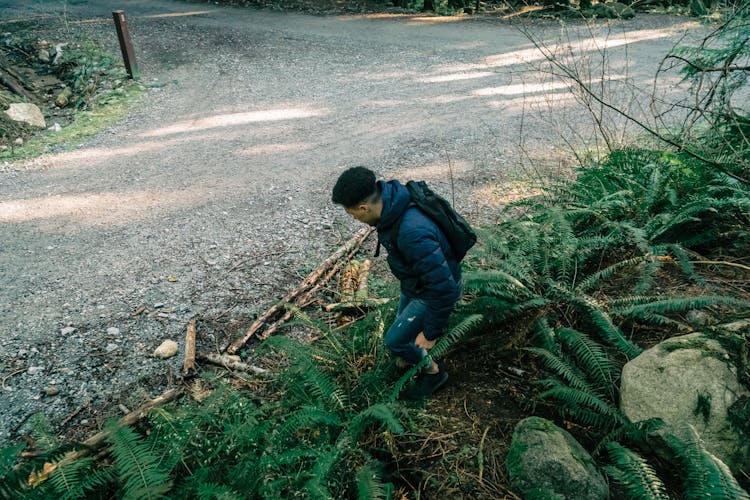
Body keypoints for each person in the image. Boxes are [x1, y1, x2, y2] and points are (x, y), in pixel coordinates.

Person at [331, 166, 462, 399]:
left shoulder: (412, 232)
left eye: (353, 215)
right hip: (416, 282)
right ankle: (410, 358)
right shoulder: (392, 200)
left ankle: (433, 373)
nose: (357, 220)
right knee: (404, 331)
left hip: (430, 290)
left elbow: (445, 287)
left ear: (364, 207)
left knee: (394, 341)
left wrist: (431, 333)